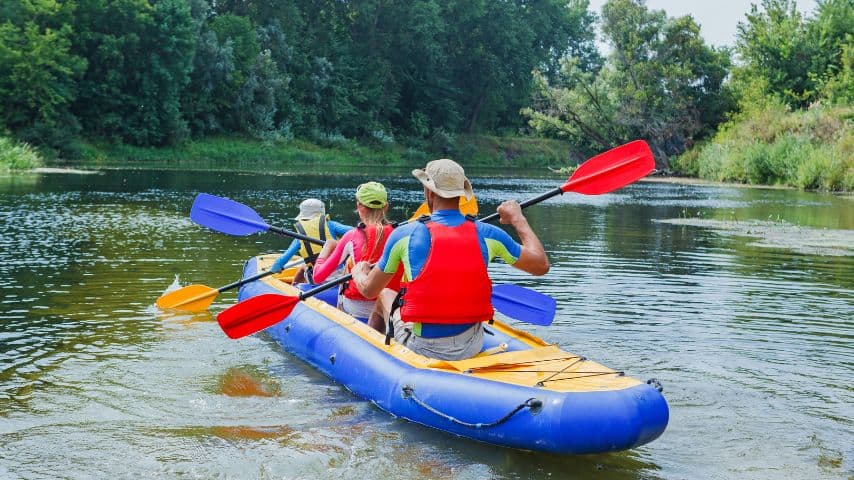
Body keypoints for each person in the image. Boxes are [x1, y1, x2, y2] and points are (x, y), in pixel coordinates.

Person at [351, 159, 549, 361]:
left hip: (422, 348)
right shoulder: (489, 234)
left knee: (385, 293)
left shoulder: (404, 235)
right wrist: (517, 218)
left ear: (429, 192)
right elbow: (541, 265)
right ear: (462, 193)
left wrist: (360, 271)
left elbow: (369, 290)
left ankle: (372, 358)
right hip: (472, 345)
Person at [311, 182, 403, 325]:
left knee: (347, 270)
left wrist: (327, 249)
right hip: (391, 306)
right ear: (386, 207)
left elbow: (317, 277)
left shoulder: (351, 236)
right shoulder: (401, 235)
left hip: (357, 308)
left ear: (359, 206)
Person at [270, 198, 352, 283]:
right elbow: (354, 231)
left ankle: (294, 288)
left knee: (303, 267)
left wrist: (275, 268)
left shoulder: (300, 236)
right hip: (341, 274)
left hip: (318, 277)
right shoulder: (331, 225)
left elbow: (283, 259)